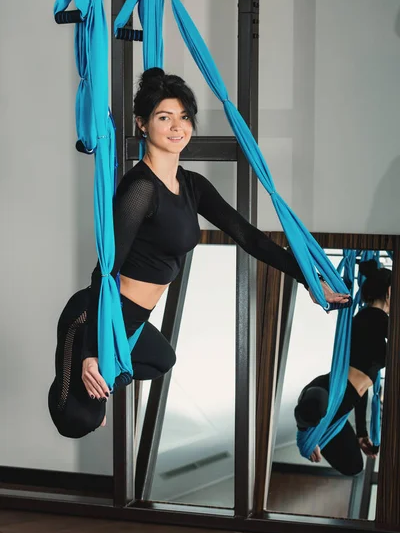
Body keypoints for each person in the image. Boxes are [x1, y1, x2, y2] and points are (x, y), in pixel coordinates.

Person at [48, 68, 349, 439]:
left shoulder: (192, 185)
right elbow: (105, 272)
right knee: (79, 422)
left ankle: (96, 386)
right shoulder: (140, 189)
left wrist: (307, 278)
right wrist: (92, 352)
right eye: (164, 117)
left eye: (184, 117)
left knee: (161, 359)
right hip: (92, 320)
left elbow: (250, 238)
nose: (178, 127)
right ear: (142, 125)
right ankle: (78, 369)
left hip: (133, 321)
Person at [294, 259, 390, 476]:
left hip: (340, 399)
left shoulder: (373, 319)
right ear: (390, 292)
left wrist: (361, 432)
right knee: (316, 407)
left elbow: (362, 388)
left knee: (354, 466)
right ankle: (307, 429)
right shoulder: (373, 317)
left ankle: (309, 430)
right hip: (327, 394)